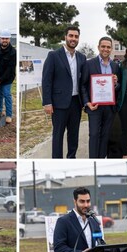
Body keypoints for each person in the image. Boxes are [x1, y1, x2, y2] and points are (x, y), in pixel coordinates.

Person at [42, 26, 87, 158]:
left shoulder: (82, 57)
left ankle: (71, 158)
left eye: (76, 36)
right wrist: (47, 102)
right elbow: (46, 81)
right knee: (58, 135)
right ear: (65, 37)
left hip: (76, 102)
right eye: (71, 36)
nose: (73, 39)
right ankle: (57, 160)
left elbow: (84, 80)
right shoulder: (54, 56)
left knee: (73, 135)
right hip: (59, 103)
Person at [83, 36, 120, 158]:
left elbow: (117, 87)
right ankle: (93, 160)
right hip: (94, 106)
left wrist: (116, 83)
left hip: (109, 107)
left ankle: (101, 159)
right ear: (98, 47)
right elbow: (83, 84)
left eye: (108, 47)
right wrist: (87, 102)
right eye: (103, 46)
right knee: (94, 134)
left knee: (105, 135)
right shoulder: (89, 64)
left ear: (111, 49)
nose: (105, 49)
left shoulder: (115, 66)